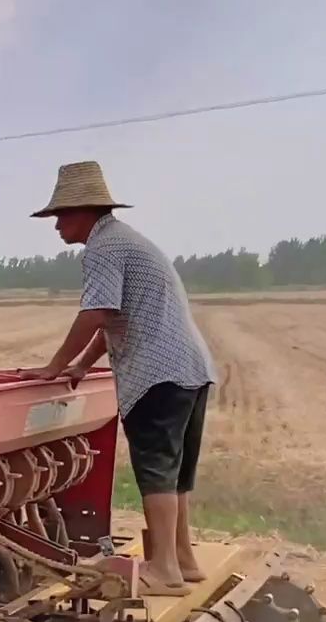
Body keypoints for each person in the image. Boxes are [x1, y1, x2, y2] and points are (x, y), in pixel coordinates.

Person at [25, 161, 218, 596]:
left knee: (154, 470)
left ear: (85, 211)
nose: (56, 227)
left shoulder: (102, 248)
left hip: (156, 375)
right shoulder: (126, 241)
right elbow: (115, 320)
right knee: (174, 473)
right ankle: (183, 560)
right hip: (189, 368)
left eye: (61, 216)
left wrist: (54, 367)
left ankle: (163, 570)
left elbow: (97, 313)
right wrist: (82, 365)